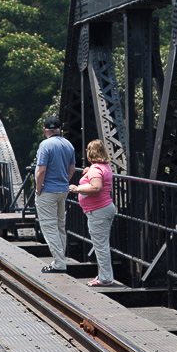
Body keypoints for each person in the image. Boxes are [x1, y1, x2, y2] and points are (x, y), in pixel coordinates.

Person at [69, 139, 117, 286]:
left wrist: (77, 189)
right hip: (104, 208)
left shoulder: (96, 169)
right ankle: (103, 275)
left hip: (98, 210)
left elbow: (96, 188)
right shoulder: (104, 167)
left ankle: (105, 278)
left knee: (100, 245)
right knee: (101, 244)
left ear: (91, 152)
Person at [34, 116, 76, 273]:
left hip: (47, 191)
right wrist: (64, 181)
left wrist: (38, 189)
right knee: (60, 226)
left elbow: (41, 170)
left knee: (49, 226)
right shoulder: (68, 145)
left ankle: (59, 263)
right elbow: (72, 169)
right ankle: (60, 259)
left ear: (44, 130)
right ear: (60, 130)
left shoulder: (45, 145)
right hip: (63, 190)